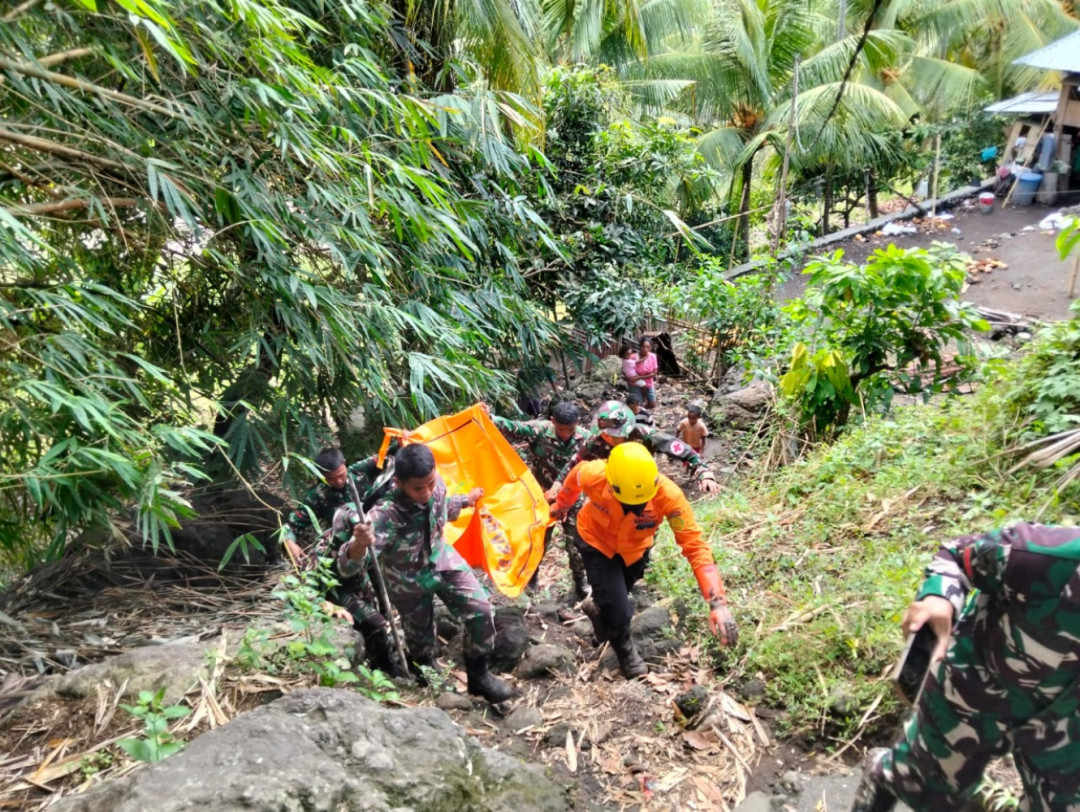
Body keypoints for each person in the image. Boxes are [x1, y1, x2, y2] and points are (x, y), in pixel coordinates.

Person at [850, 522, 1080, 812]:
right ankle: (886, 776)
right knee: (925, 784)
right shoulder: (1045, 554)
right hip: (978, 686)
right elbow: (958, 555)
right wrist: (938, 598)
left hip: (1067, 723)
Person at [334, 444, 515, 703]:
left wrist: (466, 500)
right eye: (418, 488)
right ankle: (427, 676)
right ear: (399, 483)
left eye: (430, 483)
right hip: (407, 581)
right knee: (421, 643)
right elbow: (348, 567)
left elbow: (443, 506)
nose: (427, 492)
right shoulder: (385, 515)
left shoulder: (436, 485)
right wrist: (358, 545)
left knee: (482, 610)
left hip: (442, 561)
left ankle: (479, 676)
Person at [553, 442, 737, 678]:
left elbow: (695, 546)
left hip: (635, 549)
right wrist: (561, 504)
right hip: (596, 542)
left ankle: (599, 606)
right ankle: (625, 653)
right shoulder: (595, 473)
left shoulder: (669, 495)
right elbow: (574, 477)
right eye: (629, 503)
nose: (637, 508)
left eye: (641, 502)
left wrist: (717, 604)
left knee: (615, 596)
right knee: (620, 611)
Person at [279, 447, 399, 675]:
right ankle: (379, 658)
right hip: (340, 562)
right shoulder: (320, 507)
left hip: (370, 547)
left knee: (381, 603)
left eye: (341, 475)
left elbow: (388, 454)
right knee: (371, 617)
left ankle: (384, 646)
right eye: (331, 479)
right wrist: (290, 542)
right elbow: (290, 527)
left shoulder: (359, 472)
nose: (339, 481)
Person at [485, 401, 590, 595]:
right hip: (542, 498)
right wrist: (489, 417)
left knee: (575, 544)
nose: (566, 434)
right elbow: (513, 426)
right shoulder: (540, 430)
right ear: (552, 422)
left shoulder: (586, 439)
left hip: (573, 500)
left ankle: (580, 582)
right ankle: (531, 578)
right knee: (538, 541)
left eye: (570, 429)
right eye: (561, 429)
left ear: (578, 422)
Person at [634, 336, 659, 409]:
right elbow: (626, 368)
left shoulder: (653, 356)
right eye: (643, 346)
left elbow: (654, 373)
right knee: (638, 404)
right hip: (636, 383)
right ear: (640, 346)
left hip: (648, 382)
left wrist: (640, 377)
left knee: (652, 404)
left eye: (648, 347)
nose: (645, 349)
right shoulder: (634, 356)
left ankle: (642, 408)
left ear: (651, 348)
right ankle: (639, 408)